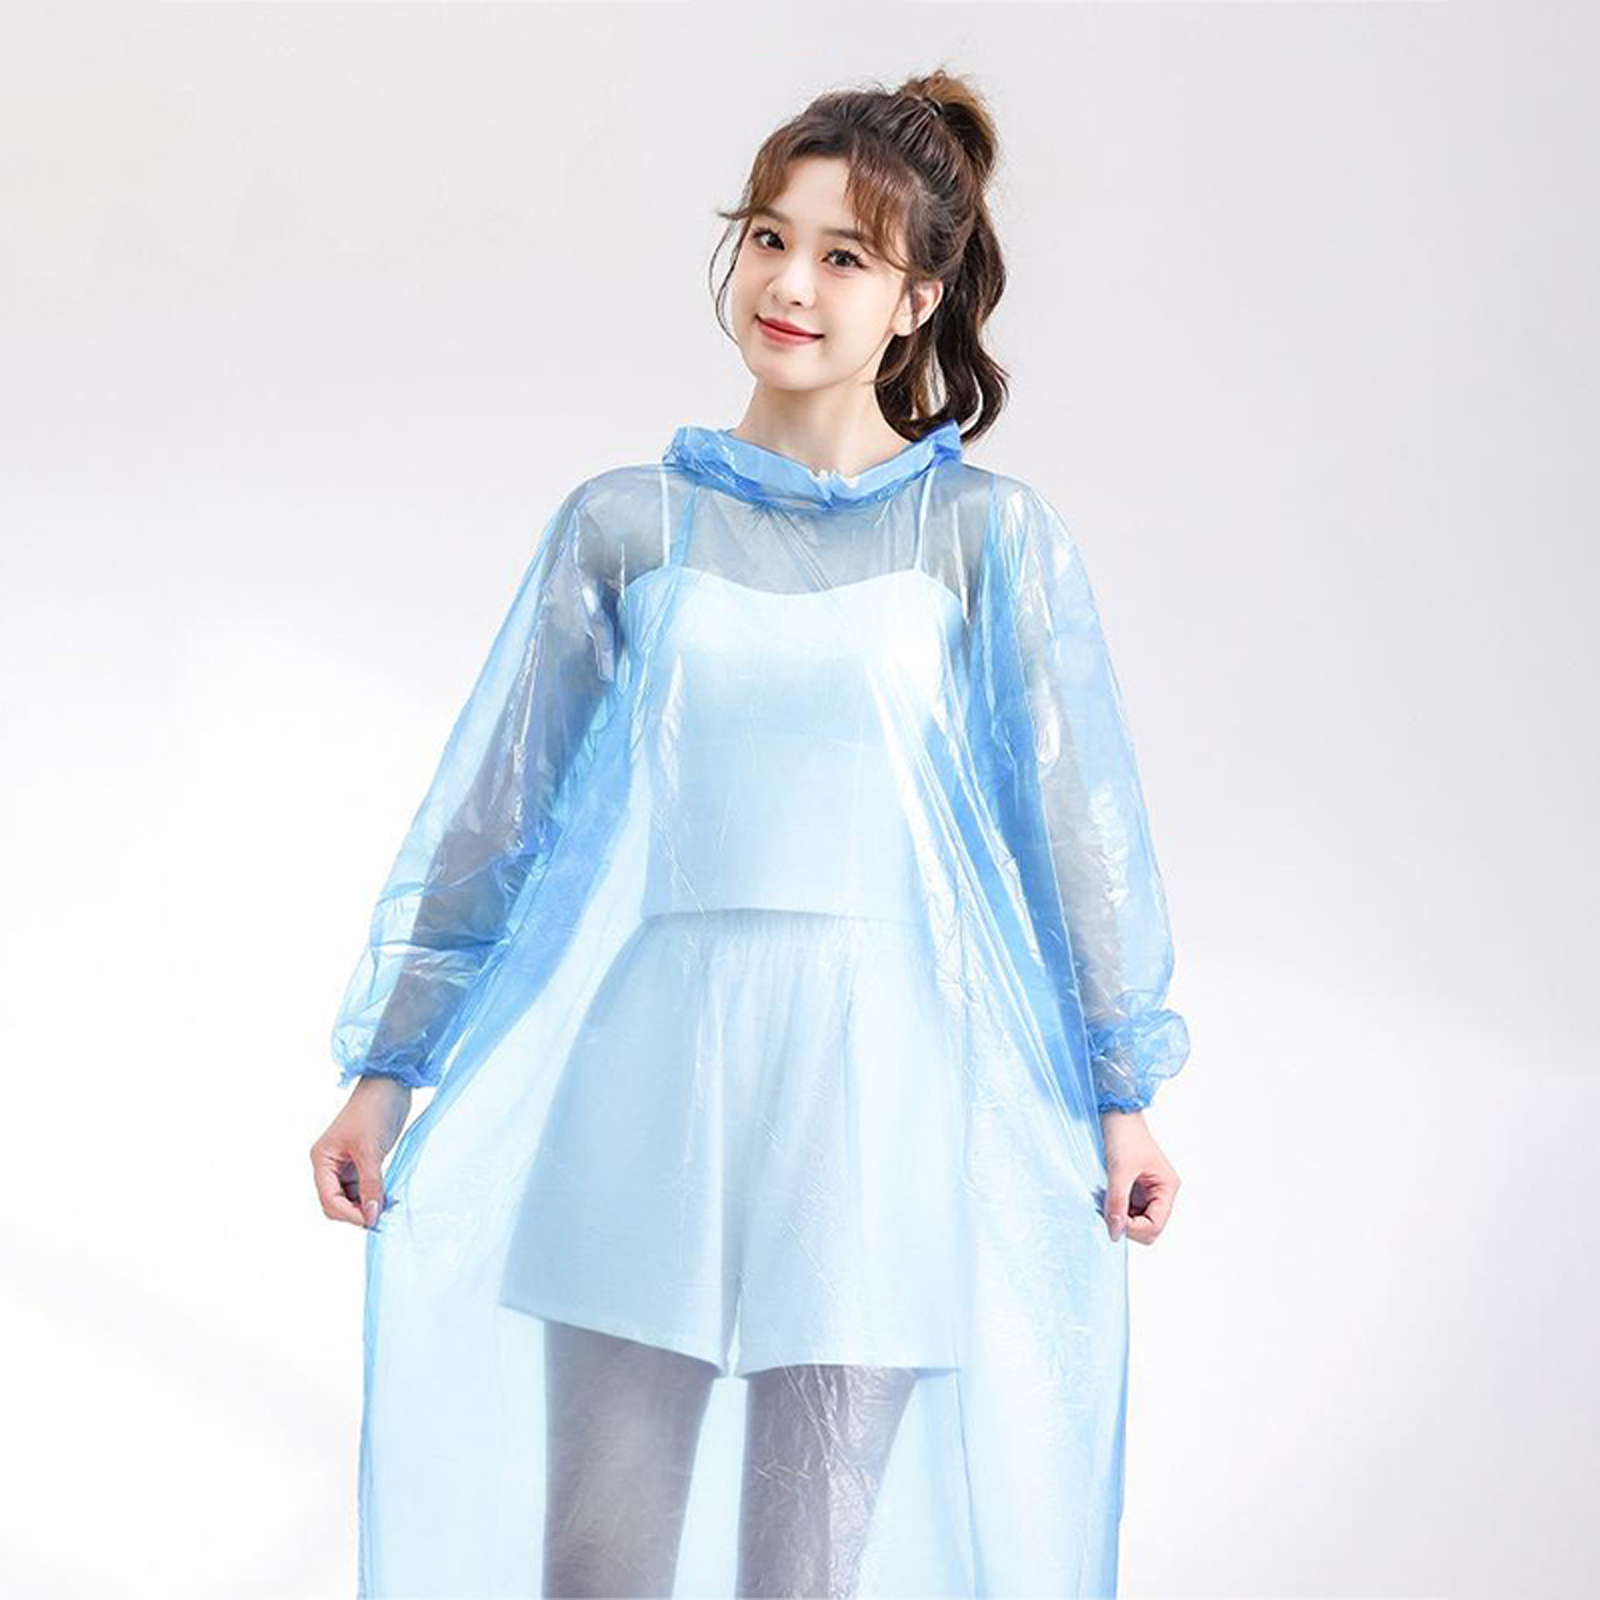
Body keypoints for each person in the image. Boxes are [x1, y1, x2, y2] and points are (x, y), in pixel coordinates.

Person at [310, 67, 1190, 1600]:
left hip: (877, 1086)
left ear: (918, 298)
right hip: (655, 1067)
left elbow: (1070, 828)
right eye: (771, 237)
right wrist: (387, 1073)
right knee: (598, 1564)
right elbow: (499, 813)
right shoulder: (625, 524)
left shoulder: (984, 540)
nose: (789, 284)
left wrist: (1122, 1092)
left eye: (845, 256)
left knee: (804, 1572)